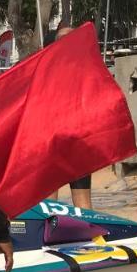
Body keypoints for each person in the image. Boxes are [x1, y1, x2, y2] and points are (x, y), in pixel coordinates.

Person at [54, 26, 93, 209]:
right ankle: (46, 236)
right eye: (60, 38)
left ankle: (89, 234)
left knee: (83, 203)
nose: (64, 41)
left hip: (79, 141)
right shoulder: (47, 68)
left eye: (69, 37)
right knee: (48, 203)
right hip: (52, 142)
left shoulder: (88, 68)